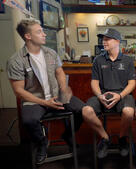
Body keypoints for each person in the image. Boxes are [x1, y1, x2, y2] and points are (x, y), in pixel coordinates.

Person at [6, 19, 85, 165]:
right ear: (28, 36)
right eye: (39, 32)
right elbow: (19, 91)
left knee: (84, 110)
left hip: (56, 95)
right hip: (35, 100)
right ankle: (42, 143)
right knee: (29, 121)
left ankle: (68, 135)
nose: (44, 34)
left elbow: (60, 72)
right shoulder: (16, 61)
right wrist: (44, 102)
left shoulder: (51, 53)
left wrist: (63, 88)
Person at [82, 28, 136, 158]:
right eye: (103, 39)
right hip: (103, 95)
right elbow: (94, 82)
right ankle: (105, 138)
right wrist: (100, 96)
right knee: (86, 111)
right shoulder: (98, 60)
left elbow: (132, 83)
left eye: (107, 39)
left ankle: (122, 138)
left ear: (117, 41)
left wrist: (120, 95)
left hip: (122, 95)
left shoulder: (128, 60)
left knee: (128, 111)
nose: (103, 41)